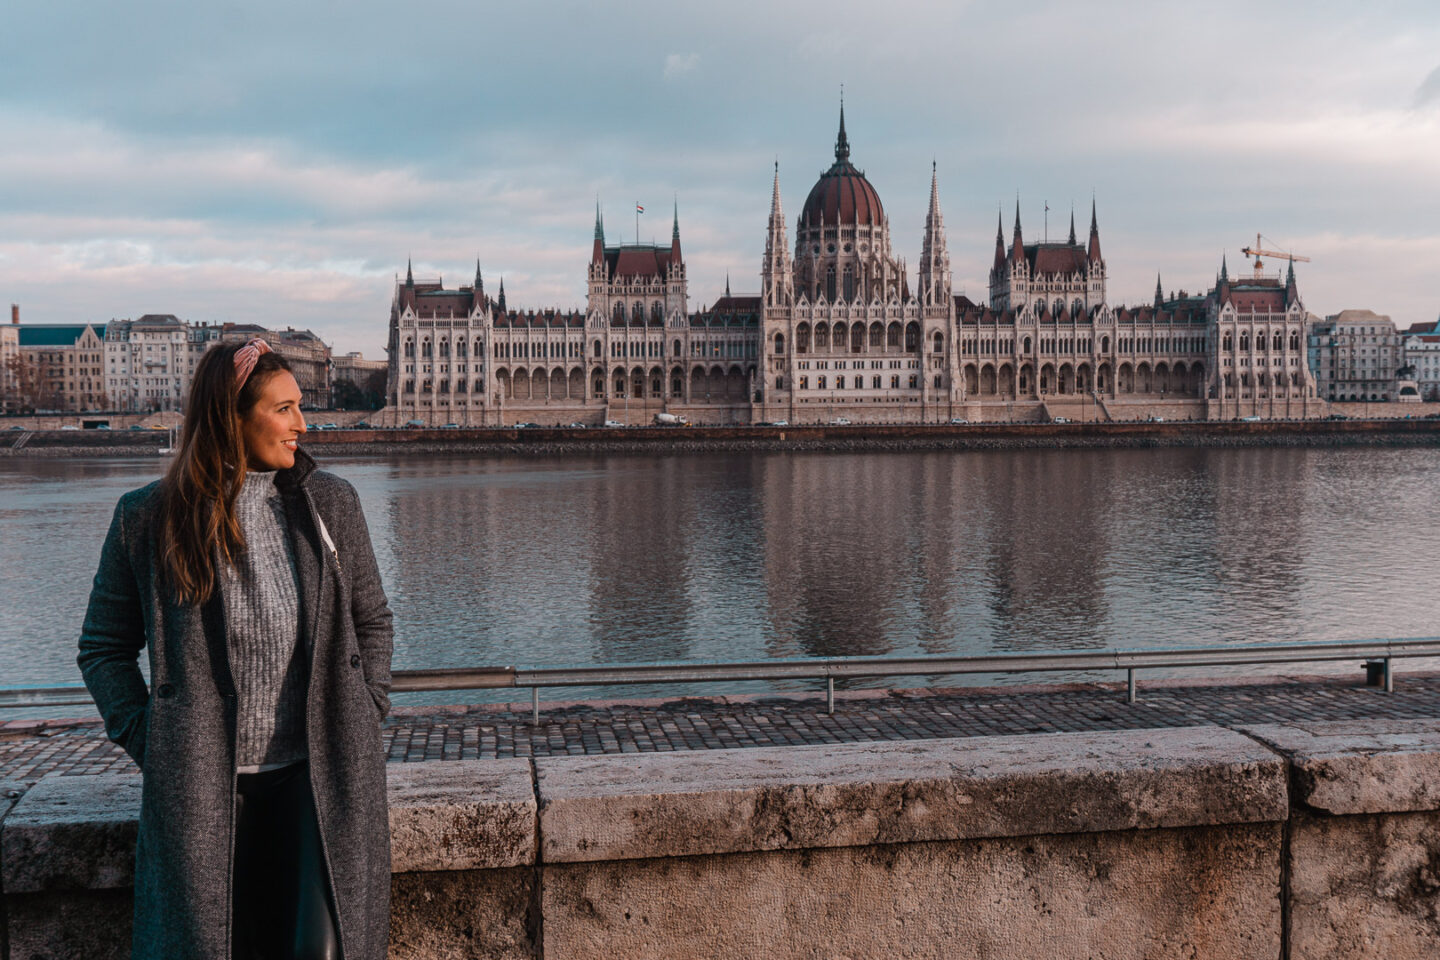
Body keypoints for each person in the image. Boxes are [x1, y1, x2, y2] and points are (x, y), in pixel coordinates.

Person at [78, 339, 394, 960]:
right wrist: (155, 737)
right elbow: (103, 649)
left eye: (300, 407)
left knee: (326, 948)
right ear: (232, 416)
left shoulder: (331, 504)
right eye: (284, 409)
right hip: (202, 789)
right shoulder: (147, 519)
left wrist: (368, 702)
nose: (302, 425)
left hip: (317, 775)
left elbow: (372, 618)